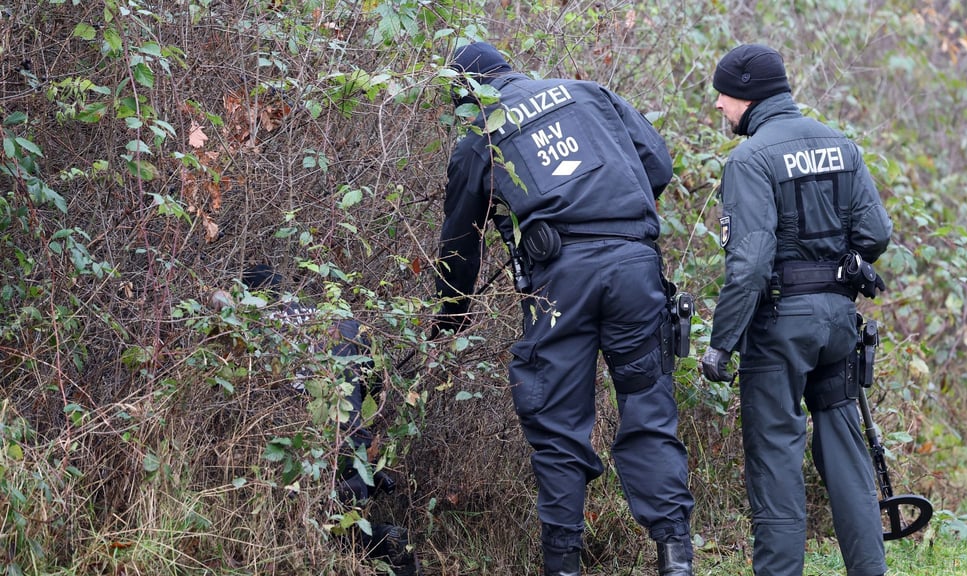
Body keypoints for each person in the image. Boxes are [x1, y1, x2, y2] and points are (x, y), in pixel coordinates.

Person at [435, 42, 696, 576]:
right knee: (649, 405)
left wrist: (452, 312)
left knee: (557, 422)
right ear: (510, 69)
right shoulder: (590, 93)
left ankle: (564, 566)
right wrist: (616, 217)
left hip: (561, 281)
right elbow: (658, 164)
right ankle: (676, 557)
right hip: (635, 267)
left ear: (466, 94)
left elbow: (460, 240)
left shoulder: (479, 136)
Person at [699, 44, 893, 576]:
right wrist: (839, 268)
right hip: (836, 322)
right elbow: (876, 234)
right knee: (843, 446)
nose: (718, 104)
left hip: (780, 327)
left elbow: (750, 265)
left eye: (723, 94)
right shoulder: (842, 146)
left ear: (747, 96)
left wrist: (722, 343)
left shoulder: (749, 159)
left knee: (775, 459)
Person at [229, 265, 422, 576]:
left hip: (311, 455)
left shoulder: (260, 329)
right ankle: (388, 545)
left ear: (252, 298)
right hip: (356, 448)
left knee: (331, 532)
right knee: (343, 526)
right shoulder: (340, 320)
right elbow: (374, 393)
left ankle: (383, 543)